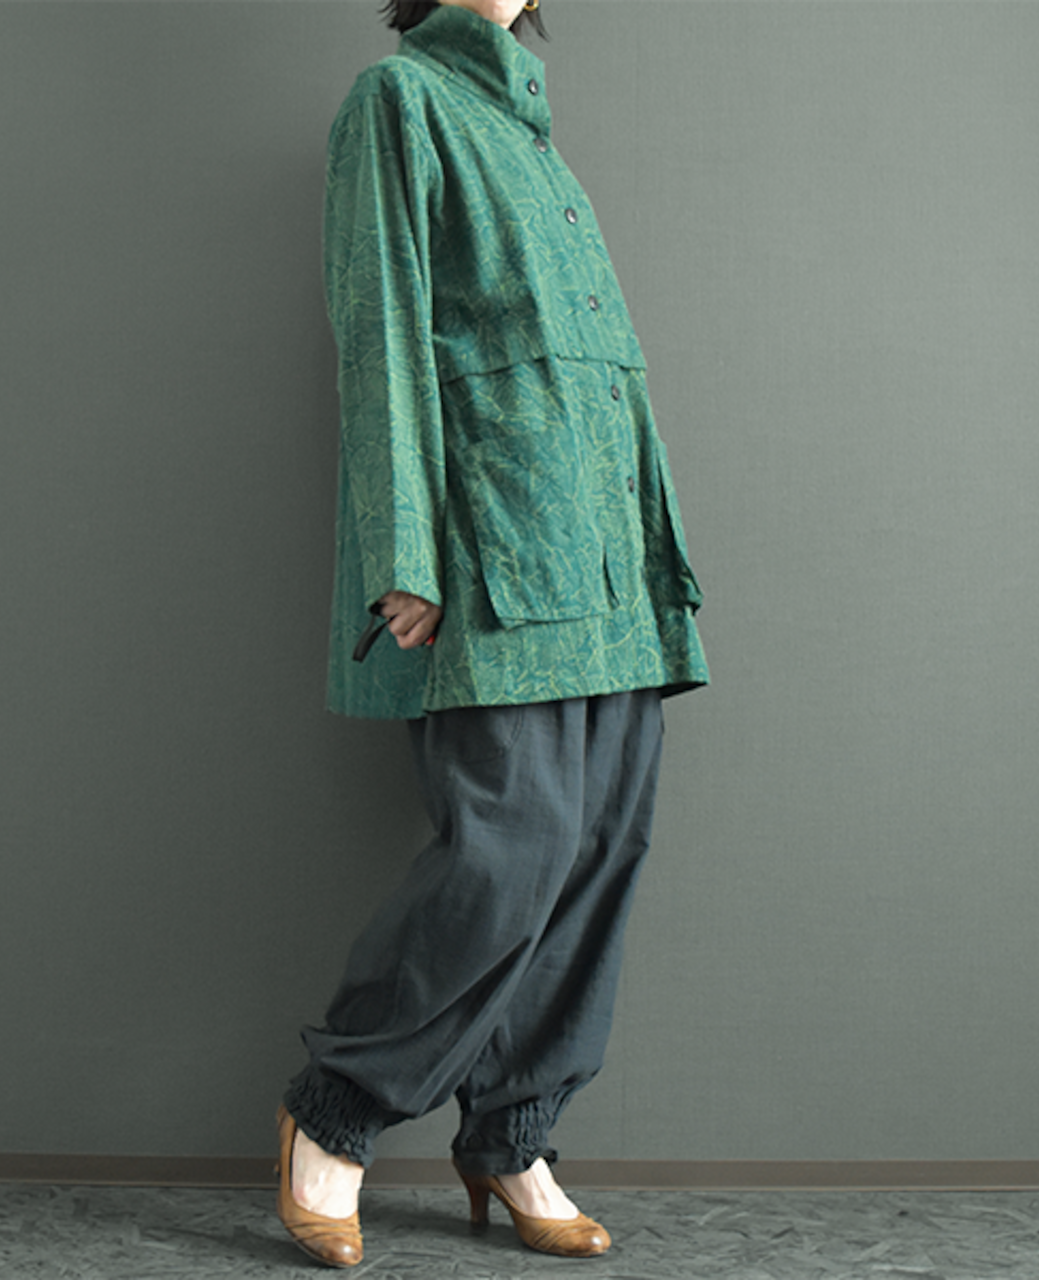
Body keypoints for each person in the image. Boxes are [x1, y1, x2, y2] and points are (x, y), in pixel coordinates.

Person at [276, 0, 708, 1266]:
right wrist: (401, 550)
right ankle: (333, 1110)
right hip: (494, 545)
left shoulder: (534, 138)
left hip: (611, 558)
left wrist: (655, 546)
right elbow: (380, 331)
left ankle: (513, 1133)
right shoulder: (398, 102)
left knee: (599, 846)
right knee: (512, 846)